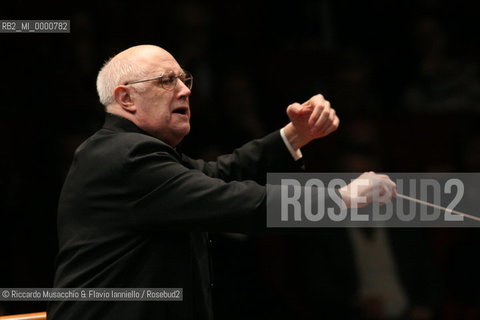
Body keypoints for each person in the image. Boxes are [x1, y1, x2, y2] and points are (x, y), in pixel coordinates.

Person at [47, 44, 396, 320]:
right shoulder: (125, 158)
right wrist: (340, 197)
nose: (184, 90)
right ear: (125, 98)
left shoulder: (137, 153)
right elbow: (233, 200)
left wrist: (293, 135)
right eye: (166, 81)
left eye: (185, 80)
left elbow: (219, 174)